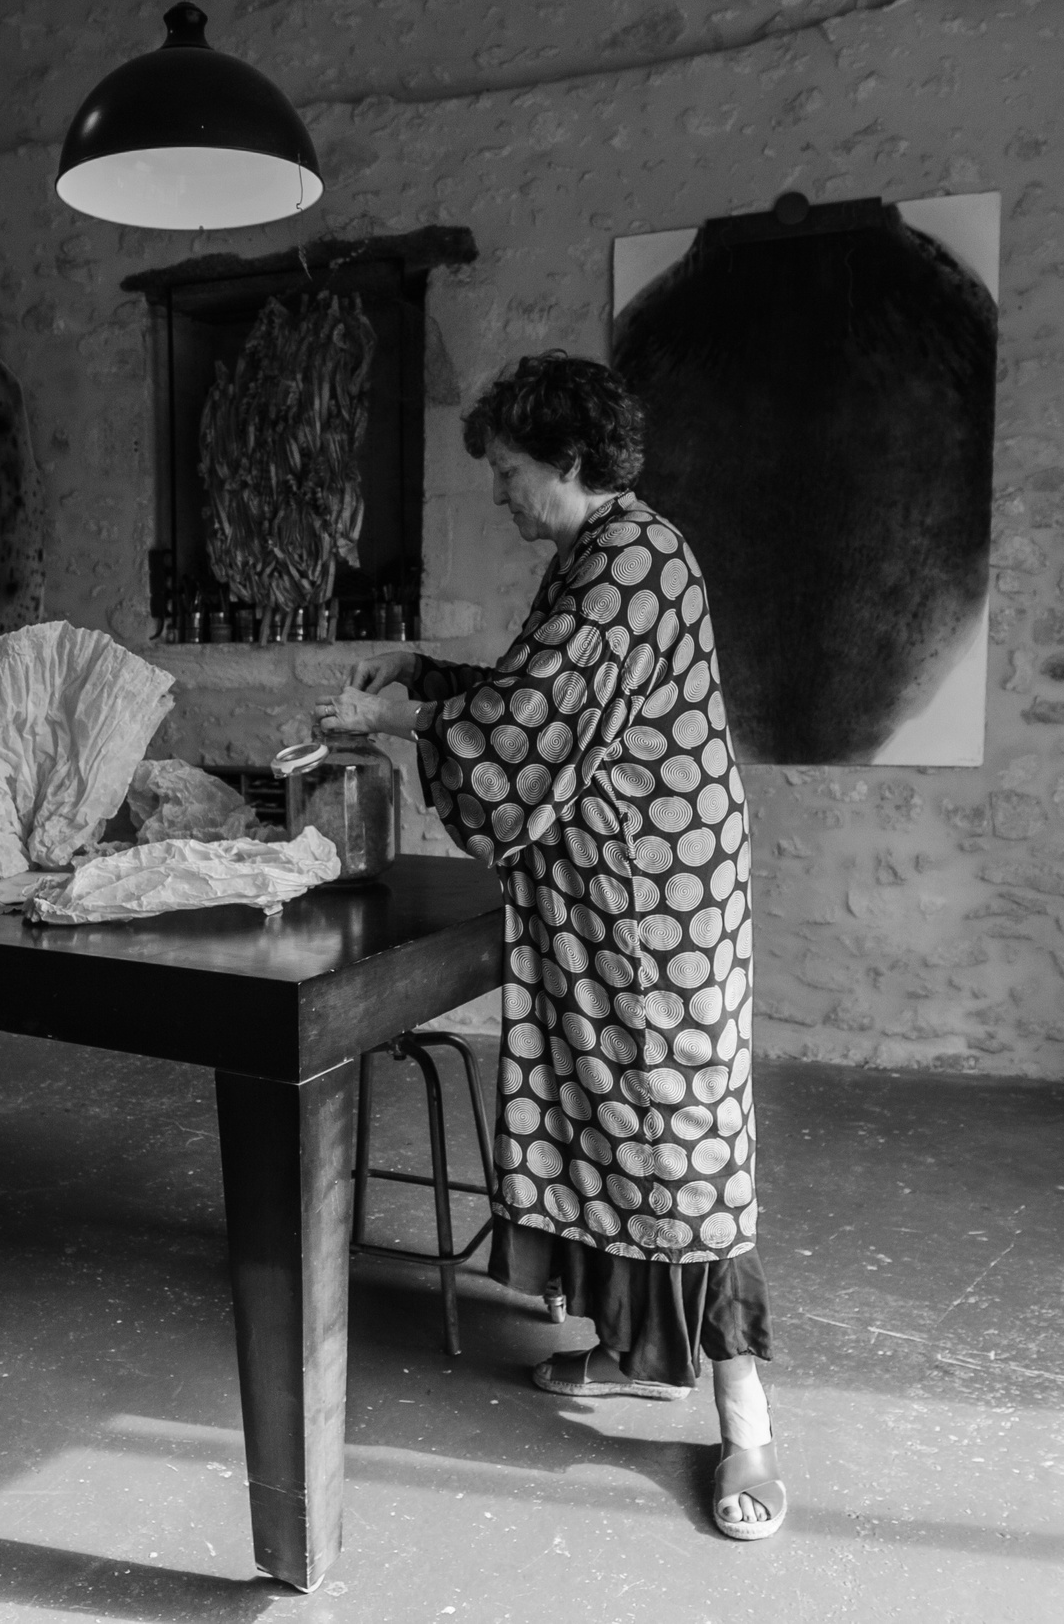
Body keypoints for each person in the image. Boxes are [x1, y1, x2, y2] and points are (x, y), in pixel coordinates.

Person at [316, 351, 780, 1540]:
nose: (503, 495)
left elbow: (531, 724)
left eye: (513, 472)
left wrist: (400, 713)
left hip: (655, 907)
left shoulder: (631, 558)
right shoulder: (599, 554)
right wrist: (425, 672)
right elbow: (539, 693)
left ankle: (747, 1416)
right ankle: (642, 1351)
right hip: (618, 892)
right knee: (615, 1127)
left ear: (570, 462)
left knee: (683, 1144)